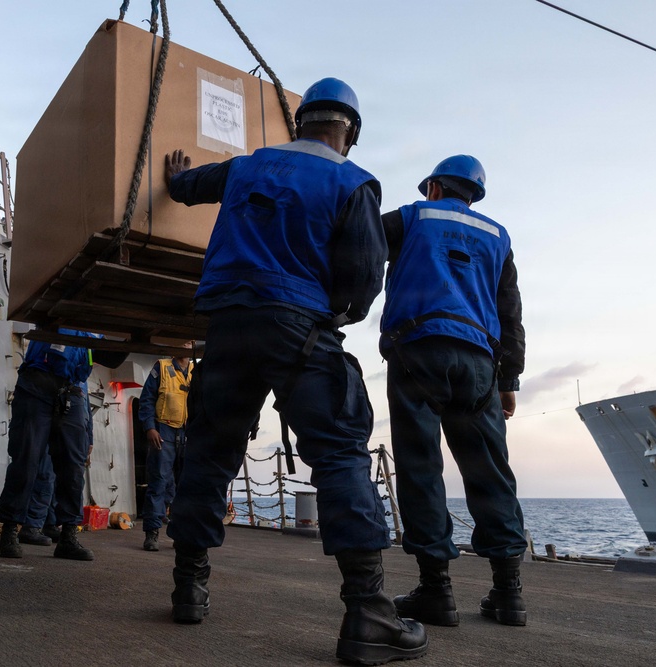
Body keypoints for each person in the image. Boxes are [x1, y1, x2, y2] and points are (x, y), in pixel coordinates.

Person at [163, 78, 427, 664]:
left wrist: (178, 175)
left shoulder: (246, 166)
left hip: (226, 325)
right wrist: (336, 313)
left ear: (299, 122)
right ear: (349, 133)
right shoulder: (352, 182)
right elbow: (363, 277)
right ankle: (367, 614)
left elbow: (184, 187)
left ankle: (188, 587)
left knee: (209, 451)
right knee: (338, 455)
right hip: (299, 329)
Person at [378, 155, 527, 628]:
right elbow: (511, 314)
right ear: (474, 193)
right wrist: (508, 381)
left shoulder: (410, 216)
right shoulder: (498, 236)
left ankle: (436, 592)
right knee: (490, 471)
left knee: (421, 467)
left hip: (417, 349)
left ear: (436, 187)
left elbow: (355, 245)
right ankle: (509, 595)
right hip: (480, 363)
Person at [0, 329, 126, 560]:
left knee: (73, 470)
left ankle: (67, 536)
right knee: (25, 461)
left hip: (73, 392)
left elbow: (112, 358)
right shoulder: (56, 309)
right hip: (36, 387)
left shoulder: (94, 331)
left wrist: (134, 334)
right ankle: (9, 531)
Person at [20, 380, 93, 547]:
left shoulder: (82, 377)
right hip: (55, 420)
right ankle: (32, 525)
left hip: (75, 425)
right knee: (45, 474)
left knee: (66, 479)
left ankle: (51, 524)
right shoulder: (64, 368)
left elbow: (85, 405)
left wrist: (89, 438)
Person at [138, 354, 192, 552]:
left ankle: (181, 533)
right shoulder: (161, 367)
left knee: (186, 486)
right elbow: (147, 399)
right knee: (158, 482)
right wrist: (150, 427)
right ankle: (152, 533)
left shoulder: (196, 371)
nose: (185, 343)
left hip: (188, 433)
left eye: (189, 340)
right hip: (164, 431)